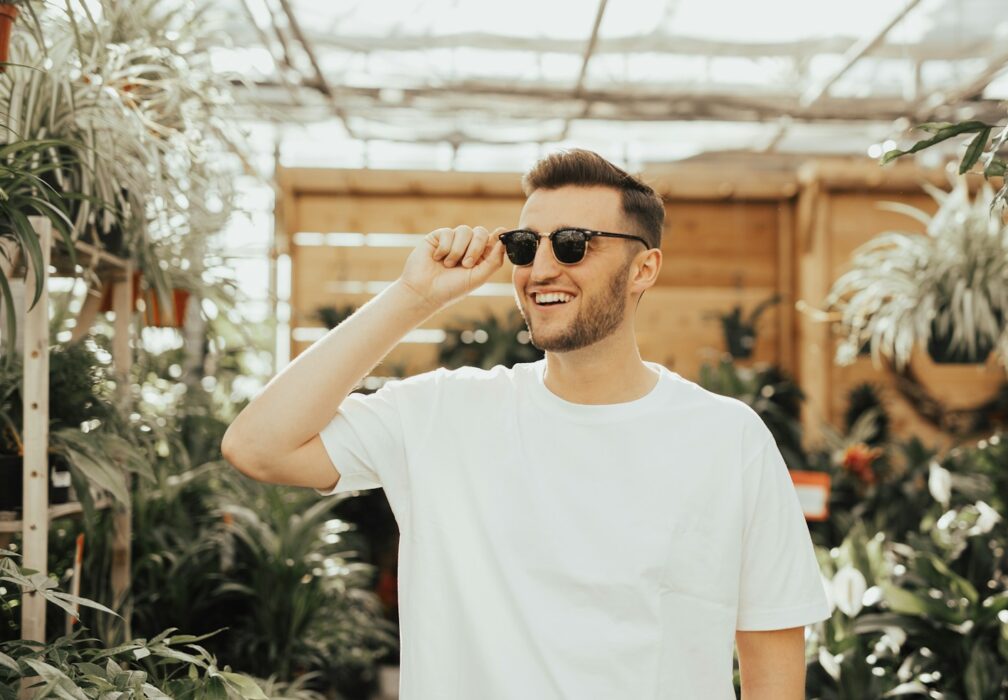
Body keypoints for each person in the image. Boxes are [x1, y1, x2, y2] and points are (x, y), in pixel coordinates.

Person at [222, 149, 831, 699]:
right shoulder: (442, 413)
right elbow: (258, 447)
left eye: (573, 244)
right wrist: (414, 297)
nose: (540, 268)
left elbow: (772, 652)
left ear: (644, 269)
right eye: (524, 245)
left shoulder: (727, 438)